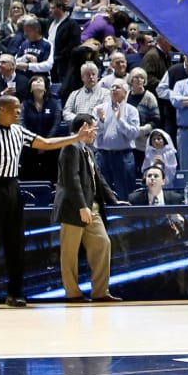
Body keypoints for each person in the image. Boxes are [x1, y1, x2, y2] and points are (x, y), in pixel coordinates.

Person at [0, 93, 93, 308]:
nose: (18, 112)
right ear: (2, 109)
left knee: (16, 243)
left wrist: (75, 138)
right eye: (15, 109)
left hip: (12, 186)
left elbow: (45, 142)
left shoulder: (18, 130)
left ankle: (14, 293)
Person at [55, 114, 124, 302]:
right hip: (74, 208)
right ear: (84, 127)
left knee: (103, 243)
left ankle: (101, 292)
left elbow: (98, 178)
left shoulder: (87, 150)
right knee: (69, 252)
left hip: (91, 207)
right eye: (94, 128)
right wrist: (81, 206)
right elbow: (72, 180)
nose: (95, 132)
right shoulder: (70, 147)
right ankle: (72, 293)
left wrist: (114, 201)